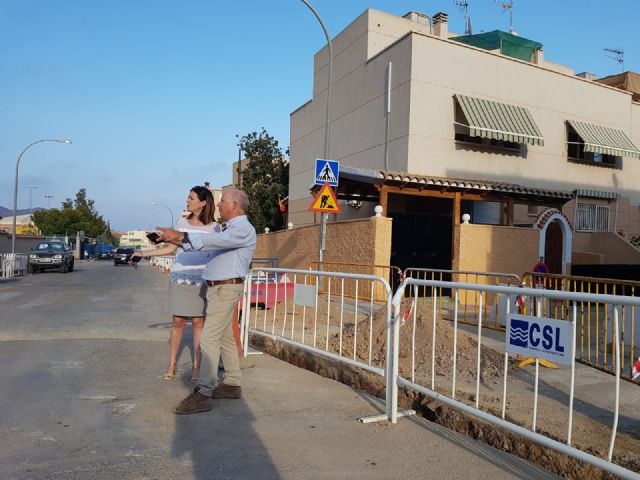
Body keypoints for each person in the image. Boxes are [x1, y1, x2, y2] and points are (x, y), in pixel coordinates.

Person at [157, 188, 256, 415]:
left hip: (226, 288)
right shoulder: (232, 228)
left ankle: (203, 393)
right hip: (218, 288)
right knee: (224, 337)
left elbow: (214, 240)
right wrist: (176, 239)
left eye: (223, 202)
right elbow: (209, 244)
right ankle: (232, 383)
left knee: (209, 339)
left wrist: (181, 235)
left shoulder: (242, 228)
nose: (219, 205)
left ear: (235, 205)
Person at [134, 186, 217, 382]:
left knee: (198, 323)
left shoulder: (215, 227)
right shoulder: (181, 222)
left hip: (201, 280)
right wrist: (142, 254)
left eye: (191, 198)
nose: (187, 201)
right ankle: (172, 363)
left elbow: (213, 253)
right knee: (178, 321)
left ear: (203, 202)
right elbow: (170, 249)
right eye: (187, 197)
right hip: (180, 277)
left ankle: (197, 367)